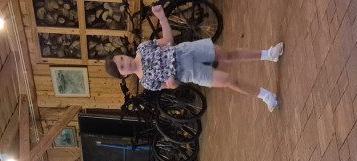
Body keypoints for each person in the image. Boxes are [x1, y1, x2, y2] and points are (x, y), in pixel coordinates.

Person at [104, 3, 283, 111]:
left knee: (229, 54)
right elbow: (172, 86)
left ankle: (269, 54)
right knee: (229, 81)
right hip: (189, 73)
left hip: (187, 51)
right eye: (121, 67)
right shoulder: (146, 82)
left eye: (121, 59)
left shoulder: (142, 48)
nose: (125, 63)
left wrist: (162, 18)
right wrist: (172, 83)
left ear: (123, 55)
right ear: (123, 75)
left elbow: (168, 41)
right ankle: (266, 96)